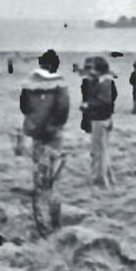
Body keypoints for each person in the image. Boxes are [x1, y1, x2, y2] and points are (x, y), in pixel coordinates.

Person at [19, 49, 70, 185]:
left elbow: (24, 106)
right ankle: (49, 186)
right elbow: (63, 106)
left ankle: (38, 185)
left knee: (37, 158)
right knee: (53, 158)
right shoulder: (59, 82)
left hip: (35, 126)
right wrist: (56, 123)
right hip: (53, 128)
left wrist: (33, 119)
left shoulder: (30, 82)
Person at [81, 56, 118, 188]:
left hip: (100, 119)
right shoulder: (101, 81)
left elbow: (104, 102)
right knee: (102, 150)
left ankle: (100, 180)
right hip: (101, 119)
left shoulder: (105, 83)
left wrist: (88, 105)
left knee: (98, 151)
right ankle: (107, 177)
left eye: (91, 68)